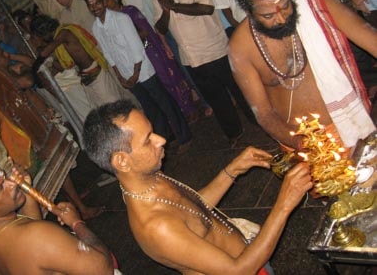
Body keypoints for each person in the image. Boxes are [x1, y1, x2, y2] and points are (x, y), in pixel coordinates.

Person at [83, 99, 313, 275]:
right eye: (148, 139)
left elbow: (194, 210)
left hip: (251, 251)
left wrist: (232, 170)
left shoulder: (148, 178)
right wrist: (284, 203)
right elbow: (237, 270)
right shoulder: (156, 226)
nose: (161, 139)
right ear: (122, 161)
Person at [229, 0, 377, 150]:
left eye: (285, 6)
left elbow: (372, 41)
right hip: (302, 144)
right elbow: (264, 114)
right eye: (268, 15)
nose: (281, 19)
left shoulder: (314, 3)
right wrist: (305, 145)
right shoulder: (240, 47)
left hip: (350, 125)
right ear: (249, 11)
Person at [138, 0, 255, 146]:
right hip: (191, 56)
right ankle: (234, 132)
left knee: (238, 88)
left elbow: (206, 7)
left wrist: (174, 6)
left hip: (213, 47)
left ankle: (259, 120)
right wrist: (166, 10)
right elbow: (160, 27)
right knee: (215, 98)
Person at [0, 158, 114, 275]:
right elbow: (103, 269)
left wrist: (27, 191)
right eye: (1, 188)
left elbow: (33, 249)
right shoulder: (37, 237)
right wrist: (77, 223)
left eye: (5, 176)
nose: (12, 184)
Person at [84, 0, 192, 152]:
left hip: (143, 72)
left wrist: (135, 74)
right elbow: (108, 54)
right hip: (128, 75)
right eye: (90, 5)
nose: (95, 7)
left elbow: (136, 48)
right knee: (150, 108)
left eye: (97, 2)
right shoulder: (97, 27)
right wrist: (120, 76)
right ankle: (165, 138)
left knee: (165, 103)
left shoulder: (121, 19)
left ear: (104, 2)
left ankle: (185, 136)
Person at [100, 0, 198, 121]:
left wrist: (141, 46)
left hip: (149, 50)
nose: (105, 5)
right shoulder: (110, 22)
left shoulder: (130, 12)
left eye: (106, 1)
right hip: (137, 58)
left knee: (169, 79)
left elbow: (145, 32)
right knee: (160, 88)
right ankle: (177, 115)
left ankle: (189, 109)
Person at [32, 14, 128, 108]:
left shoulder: (64, 33)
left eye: (41, 37)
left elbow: (44, 53)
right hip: (86, 78)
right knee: (105, 111)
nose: (43, 41)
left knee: (116, 106)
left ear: (44, 32)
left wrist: (34, 68)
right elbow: (63, 67)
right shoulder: (59, 39)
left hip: (95, 74)